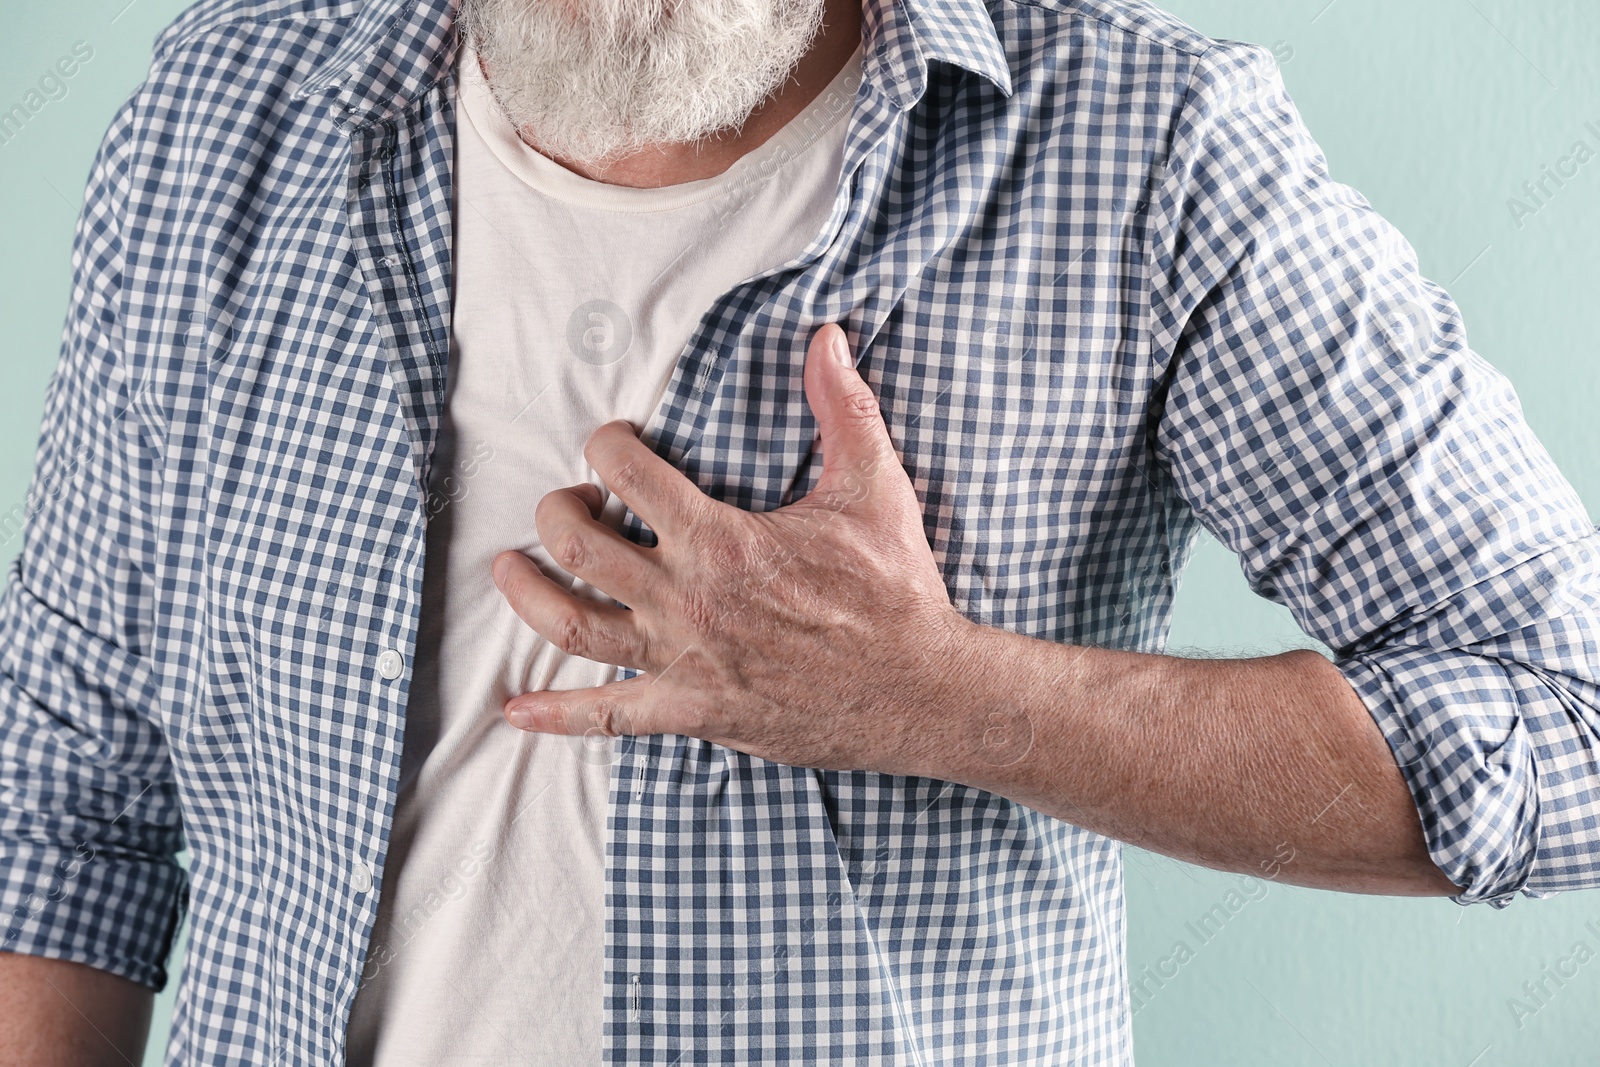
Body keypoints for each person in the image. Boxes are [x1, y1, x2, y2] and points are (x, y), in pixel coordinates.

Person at [2, 0, 1598, 1062]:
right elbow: (61, 803)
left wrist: (948, 698)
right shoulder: (224, 110)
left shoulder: (1147, 141)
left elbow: (1567, 726)